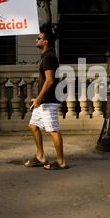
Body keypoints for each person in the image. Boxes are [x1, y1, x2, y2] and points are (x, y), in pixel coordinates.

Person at [24, 25, 67, 170]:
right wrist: (38, 98)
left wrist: (39, 99)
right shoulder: (47, 56)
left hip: (49, 101)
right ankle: (40, 157)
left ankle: (61, 161)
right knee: (33, 126)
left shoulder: (48, 57)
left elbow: (49, 81)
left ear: (46, 42)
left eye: (39, 38)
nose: (36, 40)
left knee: (53, 130)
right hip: (43, 100)